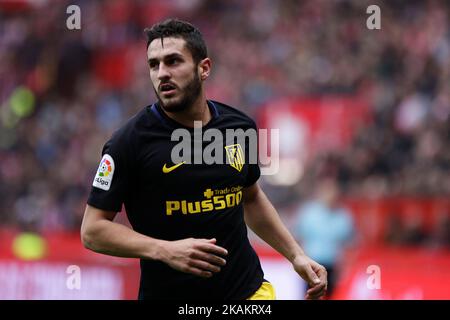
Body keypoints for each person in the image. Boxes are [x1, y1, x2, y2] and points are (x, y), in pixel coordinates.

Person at [81, 18, 327, 300]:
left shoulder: (239, 127)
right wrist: (165, 250)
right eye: (154, 64)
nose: (162, 73)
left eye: (173, 61)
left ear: (204, 68)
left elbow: (250, 198)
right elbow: (93, 230)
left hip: (247, 294)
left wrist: (296, 255)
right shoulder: (128, 143)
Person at [293, 178, 354, 298]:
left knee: (329, 295)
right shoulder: (309, 213)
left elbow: (350, 244)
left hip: (332, 265)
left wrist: (345, 266)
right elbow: (298, 237)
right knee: (308, 295)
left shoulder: (344, 216)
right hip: (311, 264)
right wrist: (298, 258)